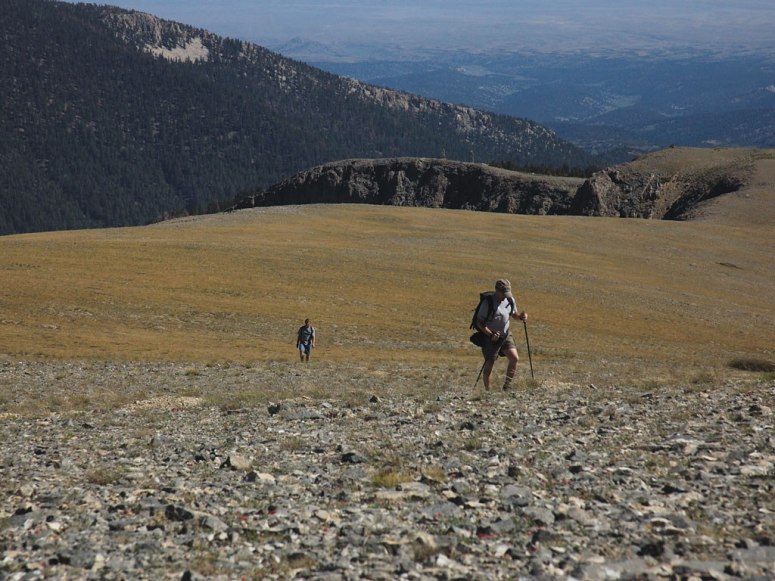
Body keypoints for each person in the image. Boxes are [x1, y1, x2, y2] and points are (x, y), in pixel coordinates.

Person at [474, 279, 528, 390]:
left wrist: (521, 317)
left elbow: (513, 314)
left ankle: (507, 387)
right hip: (490, 336)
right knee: (489, 364)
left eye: (507, 293)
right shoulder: (487, 302)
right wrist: (490, 334)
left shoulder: (510, 300)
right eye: (503, 293)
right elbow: (479, 322)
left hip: (505, 334)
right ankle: (488, 391)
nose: (505, 296)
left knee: (514, 358)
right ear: (497, 291)